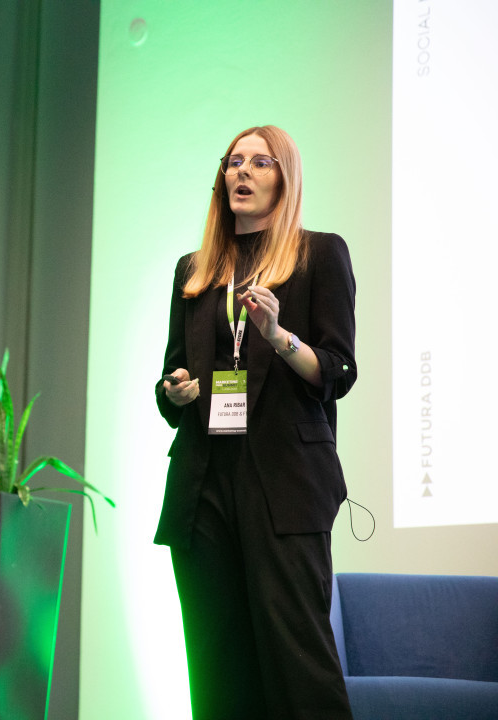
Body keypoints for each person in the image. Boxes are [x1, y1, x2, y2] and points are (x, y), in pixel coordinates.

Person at [155, 125, 356, 719]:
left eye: (259, 162)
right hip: (204, 485)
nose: (241, 171)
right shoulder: (193, 271)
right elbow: (170, 383)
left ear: (284, 179)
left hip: (285, 484)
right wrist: (175, 390)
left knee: (298, 666)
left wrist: (277, 334)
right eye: (233, 161)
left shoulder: (319, 255)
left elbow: (338, 371)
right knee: (217, 672)